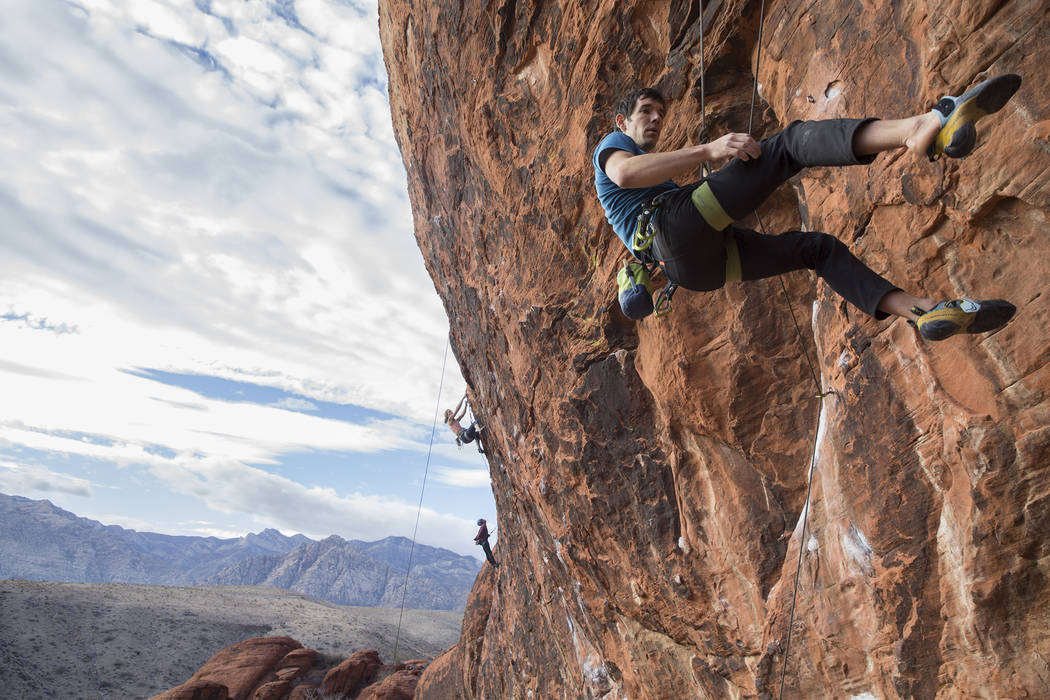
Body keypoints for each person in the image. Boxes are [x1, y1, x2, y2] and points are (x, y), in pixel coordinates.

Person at [593, 75, 1022, 340]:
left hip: (695, 270)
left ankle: (922, 312)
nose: (655, 119)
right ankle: (921, 127)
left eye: (660, 113)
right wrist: (710, 150)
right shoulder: (612, 148)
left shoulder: (652, 182)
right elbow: (626, 175)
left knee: (816, 250)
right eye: (645, 111)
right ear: (621, 122)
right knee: (791, 145)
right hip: (676, 231)